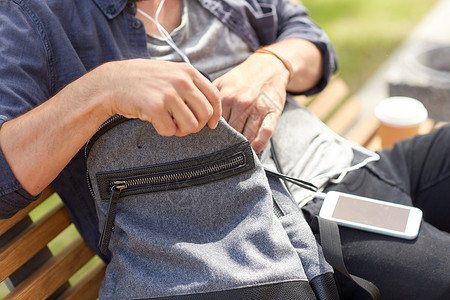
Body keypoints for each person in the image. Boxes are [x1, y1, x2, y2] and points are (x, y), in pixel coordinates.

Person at [0, 0, 448, 299]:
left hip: (342, 161)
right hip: (271, 223)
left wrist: (274, 63)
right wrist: (102, 89)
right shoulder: (28, 17)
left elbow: (309, 41)